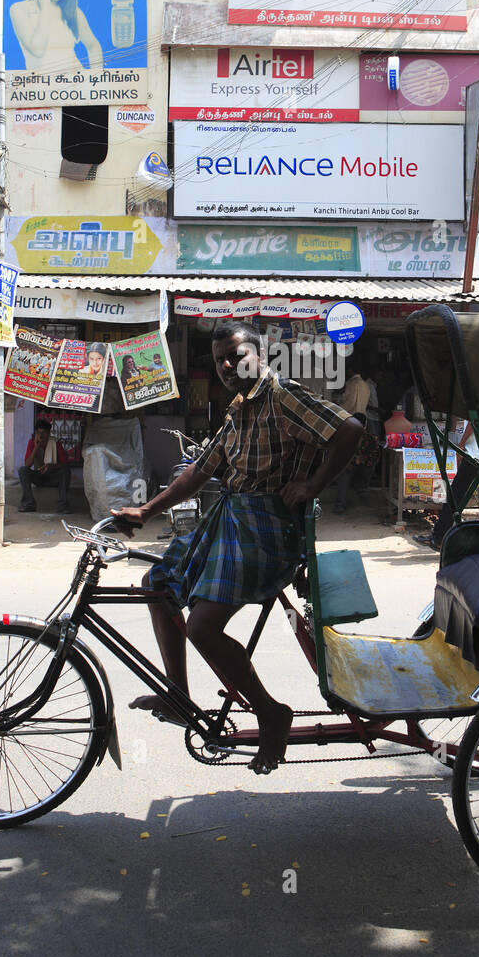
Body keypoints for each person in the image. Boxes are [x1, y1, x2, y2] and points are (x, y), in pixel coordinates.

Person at [112, 319, 363, 775]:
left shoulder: (283, 398)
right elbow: (199, 471)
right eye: (220, 360)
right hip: (229, 521)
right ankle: (178, 695)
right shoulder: (238, 409)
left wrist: (312, 484)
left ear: (259, 354)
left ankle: (271, 712)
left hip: (268, 533)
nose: (228, 366)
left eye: (236, 356)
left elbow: (349, 429)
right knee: (156, 585)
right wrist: (144, 512)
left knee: (203, 628)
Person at [9, 0, 103, 71]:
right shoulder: (19, 9)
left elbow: (93, 46)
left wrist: (97, 78)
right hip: (41, 86)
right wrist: (46, 8)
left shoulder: (73, 12)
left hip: (77, 84)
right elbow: (37, 51)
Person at [416, 416, 479, 552]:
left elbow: (474, 421)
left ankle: (439, 537)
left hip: (475, 454)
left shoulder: (477, 400)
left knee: (455, 495)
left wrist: (462, 443)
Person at [333, 356, 371, 514]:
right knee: (361, 459)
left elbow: (347, 405)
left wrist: (335, 404)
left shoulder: (351, 384)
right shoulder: (366, 386)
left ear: (350, 371)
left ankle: (341, 503)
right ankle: (362, 491)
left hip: (349, 424)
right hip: (364, 424)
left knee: (344, 464)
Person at [18, 419, 72, 512]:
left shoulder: (55, 443)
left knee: (66, 471)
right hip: (38, 477)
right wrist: (36, 446)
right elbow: (27, 464)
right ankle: (29, 503)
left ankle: (63, 505)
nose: (41, 435)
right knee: (22, 470)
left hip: (52, 477)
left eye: (44, 432)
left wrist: (50, 467)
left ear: (49, 432)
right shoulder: (32, 442)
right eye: (38, 432)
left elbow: (65, 463)